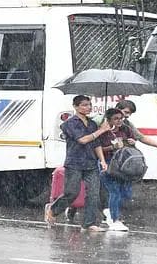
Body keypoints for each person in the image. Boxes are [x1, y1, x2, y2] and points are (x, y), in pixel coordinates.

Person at [45, 95, 110, 232]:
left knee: (93, 193)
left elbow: (96, 144)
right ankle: (53, 210)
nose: (88, 108)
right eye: (84, 105)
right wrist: (101, 130)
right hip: (74, 162)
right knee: (71, 193)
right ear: (75, 107)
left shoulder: (92, 124)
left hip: (91, 163)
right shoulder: (70, 124)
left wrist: (102, 161)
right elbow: (82, 140)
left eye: (89, 105)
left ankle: (89, 223)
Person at [98, 108, 136, 231]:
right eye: (116, 118)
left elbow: (132, 143)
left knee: (126, 193)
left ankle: (109, 211)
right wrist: (112, 147)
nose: (119, 121)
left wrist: (131, 142)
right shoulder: (103, 131)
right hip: (108, 163)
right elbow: (98, 149)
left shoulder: (126, 129)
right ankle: (114, 220)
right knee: (114, 191)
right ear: (109, 119)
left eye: (121, 118)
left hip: (123, 165)